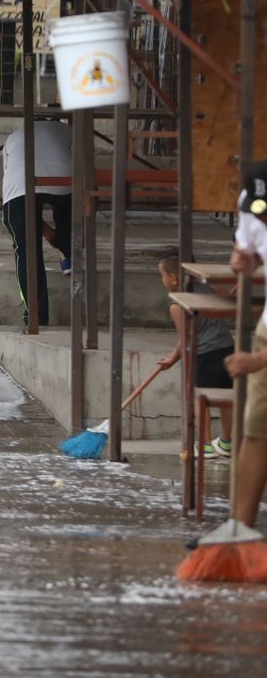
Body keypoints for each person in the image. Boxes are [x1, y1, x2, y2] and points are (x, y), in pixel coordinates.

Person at [155, 254, 236, 458]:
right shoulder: (209, 289)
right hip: (226, 348)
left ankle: (206, 446)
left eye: (162, 276)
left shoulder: (177, 306)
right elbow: (226, 298)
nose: (162, 281)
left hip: (205, 354)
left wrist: (173, 359)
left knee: (201, 399)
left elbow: (186, 338)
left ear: (173, 278)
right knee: (226, 398)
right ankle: (227, 442)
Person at [223, 161, 267, 532]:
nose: (263, 219)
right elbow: (250, 251)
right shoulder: (252, 202)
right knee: (256, 432)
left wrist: (257, 360)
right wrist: (245, 261)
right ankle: (239, 531)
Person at [0, 119, 73, 328]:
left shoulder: (13, 137)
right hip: (65, 179)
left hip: (19, 186)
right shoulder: (67, 130)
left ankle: (36, 317)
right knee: (70, 211)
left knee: (26, 250)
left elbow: (12, 189)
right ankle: (69, 251)